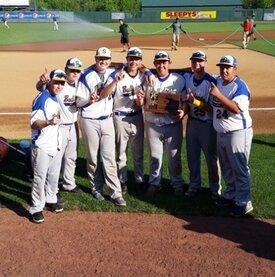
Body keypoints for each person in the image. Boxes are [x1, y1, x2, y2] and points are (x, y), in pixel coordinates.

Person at [76, 47, 126, 206]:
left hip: (107, 120)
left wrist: (147, 72)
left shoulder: (113, 71)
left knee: (109, 158)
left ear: (110, 61)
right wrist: (89, 100)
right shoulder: (85, 75)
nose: (103, 61)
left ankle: (115, 192)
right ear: (95, 59)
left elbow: (132, 64)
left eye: (106, 59)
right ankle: (96, 188)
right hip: (89, 120)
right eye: (100, 58)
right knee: (92, 158)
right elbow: (79, 102)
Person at [100, 47, 153, 194]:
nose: (133, 61)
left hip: (136, 116)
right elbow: (104, 94)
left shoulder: (143, 76)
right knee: (121, 152)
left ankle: (139, 179)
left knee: (138, 152)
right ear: (127, 59)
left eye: (136, 59)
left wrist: (140, 100)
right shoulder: (118, 74)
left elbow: (141, 103)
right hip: (120, 117)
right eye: (131, 58)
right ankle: (122, 180)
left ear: (140, 61)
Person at [137, 50, 186, 196]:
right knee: (154, 157)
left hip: (173, 125)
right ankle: (154, 184)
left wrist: (184, 111)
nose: (161, 65)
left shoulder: (179, 79)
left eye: (164, 62)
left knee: (174, 158)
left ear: (169, 63)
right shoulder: (147, 79)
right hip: (153, 125)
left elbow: (185, 101)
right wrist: (140, 100)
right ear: (154, 64)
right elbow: (142, 102)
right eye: (158, 62)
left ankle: (177, 184)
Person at [210, 55, 253, 217]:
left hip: (238, 133)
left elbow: (236, 108)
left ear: (235, 69)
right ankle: (230, 194)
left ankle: (244, 202)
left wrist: (218, 95)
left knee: (240, 168)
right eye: (222, 67)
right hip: (221, 132)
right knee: (226, 167)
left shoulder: (240, 87)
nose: (224, 70)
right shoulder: (218, 82)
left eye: (228, 67)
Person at [36, 58, 83, 194]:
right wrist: (42, 82)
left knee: (71, 157)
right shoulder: (59, 82)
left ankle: (69, 183)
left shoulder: (80, 83)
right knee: (56, 159)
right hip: (60, 127)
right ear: (66, 69)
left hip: (73, 125)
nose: (74, 73)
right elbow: (41, 87)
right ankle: (52, 188)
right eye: (71, 70)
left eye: (77, 71)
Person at [29, 69, 67, 224]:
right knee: (40, 177)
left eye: (61, 83)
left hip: (54, 144)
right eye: (56, 82)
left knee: (53, 175)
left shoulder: (54, 96)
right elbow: (34, 122)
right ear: (49, 82)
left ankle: (50, 199)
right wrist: (49, 122)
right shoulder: (41, 99)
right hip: (42, 145)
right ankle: (36, 208)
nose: (58, 86)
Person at [183, 50, 221, 199]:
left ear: (205, 63)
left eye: (199, 61)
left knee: (211, 159)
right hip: (192, 123)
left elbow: (213, 109)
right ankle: (194, 186)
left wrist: (196, 102)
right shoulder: (187, 78)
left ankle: (215, 189)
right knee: (192, 157)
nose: (196, 64)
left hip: (208, 125)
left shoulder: (211, 82)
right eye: (194, 61)